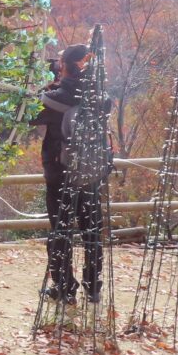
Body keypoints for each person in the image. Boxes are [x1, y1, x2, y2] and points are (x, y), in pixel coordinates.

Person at [32, 44, 102, 304]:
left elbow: (28, 116)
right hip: (91, 173)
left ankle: (64, 287)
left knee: (61, 230)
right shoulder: (98, 96)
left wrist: (46, 86)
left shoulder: (55, 98)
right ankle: (93, 286)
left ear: (64, 67)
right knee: (91, 230)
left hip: (60, 173)